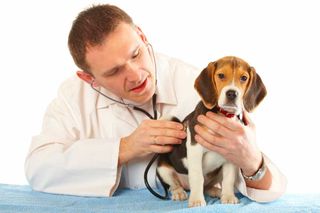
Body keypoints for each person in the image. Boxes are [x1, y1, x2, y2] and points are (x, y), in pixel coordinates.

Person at [25, 4, 286, 202]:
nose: (136, 75)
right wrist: (124, 148)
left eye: (136, 54)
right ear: (89, 78)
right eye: (114, 72)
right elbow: (38, 168)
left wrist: (252, 162)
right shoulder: (72, 99)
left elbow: (273, 186)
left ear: (141, 35)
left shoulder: (197, 85)